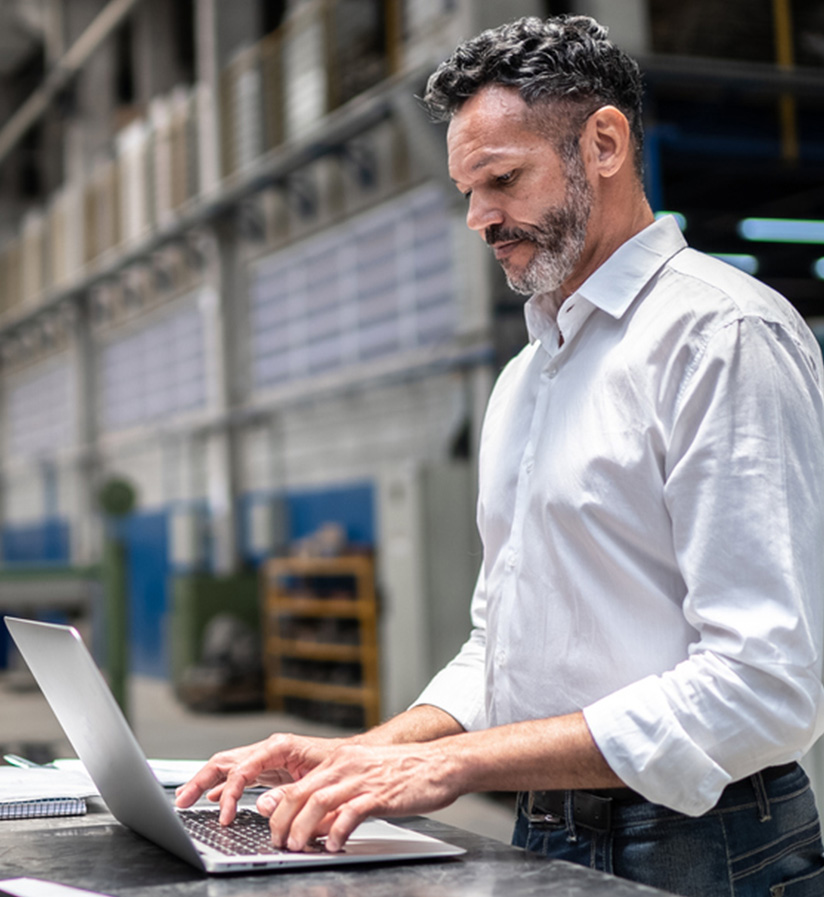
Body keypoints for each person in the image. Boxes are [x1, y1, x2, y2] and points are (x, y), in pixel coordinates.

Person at [176, 16, 824, 895]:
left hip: (704, 843)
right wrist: (362, 753)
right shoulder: (529, 374)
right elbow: (502, 648)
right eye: (467, 191)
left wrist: (454, 768)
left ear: (602, 143)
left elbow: (762, 686)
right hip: (544, 823)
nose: (481, 216)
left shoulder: (720, 336)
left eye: (504, 180)